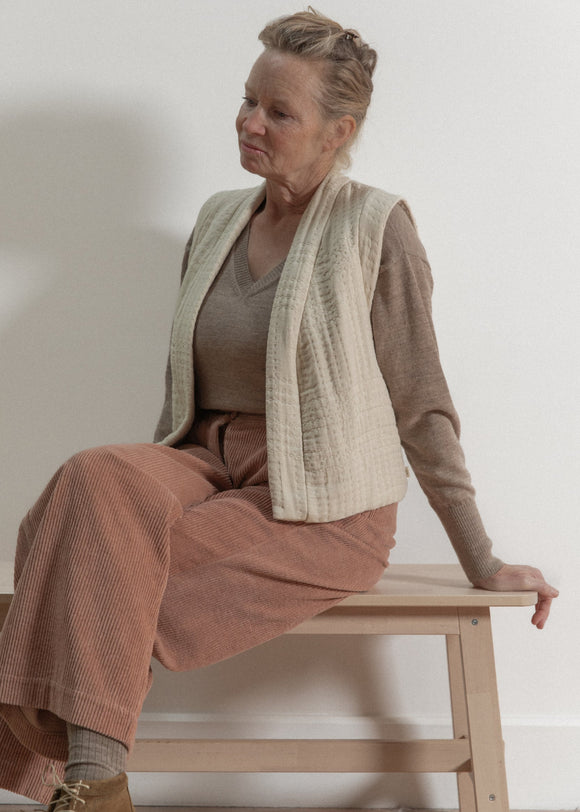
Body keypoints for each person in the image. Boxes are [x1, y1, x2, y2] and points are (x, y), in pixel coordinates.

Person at [0, 9, 558, 812]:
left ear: (339, 132)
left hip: (321, 507)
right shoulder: (220, 218)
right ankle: (99, 785)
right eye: (248, 99)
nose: (249, 122)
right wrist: (148, 487)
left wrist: (482, 556)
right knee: (91, 483)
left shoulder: (376, 227)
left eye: (279, 112)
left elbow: (422, 402)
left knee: (95, 561)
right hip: (207, 459)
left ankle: (87, 783)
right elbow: (182, 388)